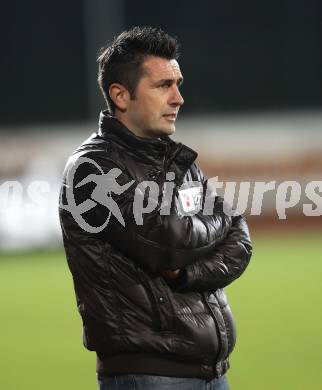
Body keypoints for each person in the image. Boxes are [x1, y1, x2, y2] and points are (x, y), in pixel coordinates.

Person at [59, 26, 252, 390]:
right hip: (147, 376)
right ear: (120, 95)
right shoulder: (93, 170)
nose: (178, 97)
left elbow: (240, 239)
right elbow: (170, 243)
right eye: (163, 85)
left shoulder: (176, 160)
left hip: (213, 373)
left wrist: (188, 273)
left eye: (178, 83)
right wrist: (216, 226)